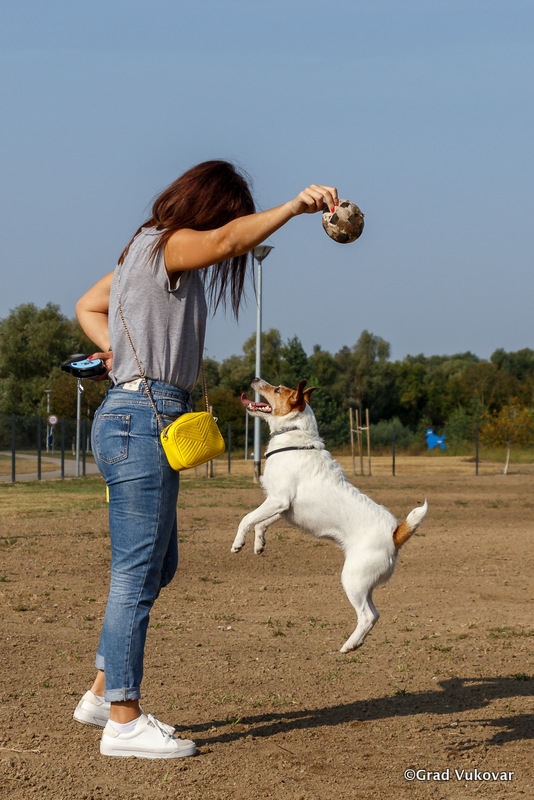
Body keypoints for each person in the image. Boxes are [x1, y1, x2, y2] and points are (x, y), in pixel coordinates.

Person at [74, 159, 338, 759]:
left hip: (137, 414)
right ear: (210, 208)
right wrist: (292, 208)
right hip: (142, 417)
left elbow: (88, 305)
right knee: (136, 572)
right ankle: (123, 721)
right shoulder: (168, 245)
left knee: (157, 565)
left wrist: (118, 351)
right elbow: (223, 242)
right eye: (228, 214)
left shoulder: (138, 252)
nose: (227, 230)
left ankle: (101, 695)